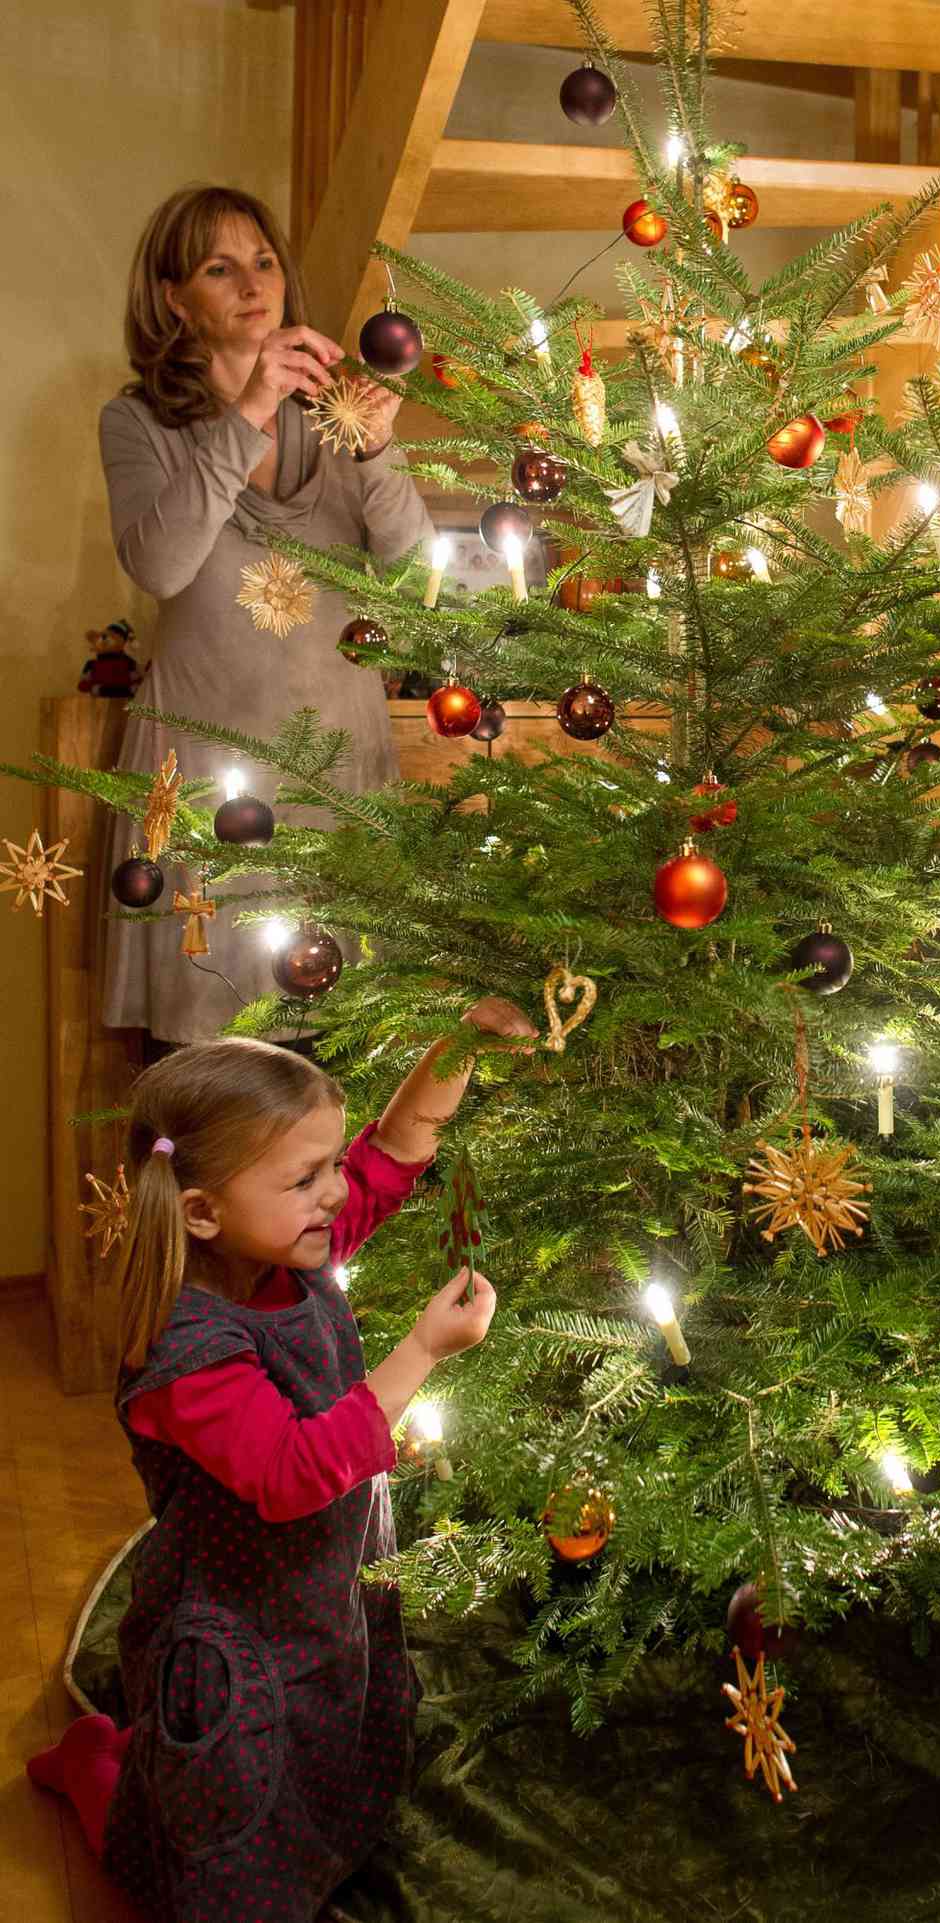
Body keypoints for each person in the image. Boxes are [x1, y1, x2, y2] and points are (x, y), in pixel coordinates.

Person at [26, 995, 537, 1922]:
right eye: (307, 1179)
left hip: (318, 1596)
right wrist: (419, 1351)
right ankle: (95, 1764)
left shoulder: (289, 1247)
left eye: (328, 1166)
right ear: (203, 1210)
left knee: (318, 1765)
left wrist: (456, 1042)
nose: (337, 1194)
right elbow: (292, 1471)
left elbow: (394, 1152)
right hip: (236, 1630)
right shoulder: (188, 1349)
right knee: (202, 1861)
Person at [100, 184, 431, 1044]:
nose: (254, 283)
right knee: (208, 1080)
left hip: (338, 776)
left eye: (264, 261)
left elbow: (413, 580)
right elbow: (161, 565)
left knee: (343, 1069)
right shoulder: (135, 421)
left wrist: (381, 452)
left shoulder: (338, 415)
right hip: (209, 785)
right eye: (220, 268)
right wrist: (248, 411)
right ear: (175, 300)